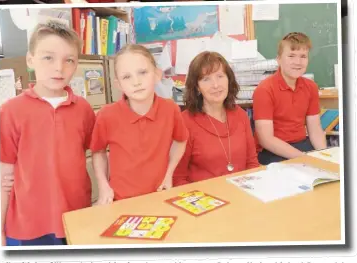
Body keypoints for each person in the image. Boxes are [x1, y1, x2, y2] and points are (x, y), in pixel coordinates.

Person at [0, 21, 96, 246]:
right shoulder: (10, 110)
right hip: (26, 224)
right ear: (30, 60)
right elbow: (4, 173)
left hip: (76, 216)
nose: (59, 68)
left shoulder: (83, 108)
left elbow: (94, 153)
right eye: (48, 57)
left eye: (69, 60)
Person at [90, 44, 188, 204]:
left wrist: (169, 173)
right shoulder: (107, 115)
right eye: (126, 77)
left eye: (142, 72)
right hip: (121, 200)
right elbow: (98, 152)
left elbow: (181, 140)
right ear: (118, 84)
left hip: (160, 195)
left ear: (157, 75)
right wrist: (103, 185)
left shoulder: (170, 109)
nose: (136, 82)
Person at [173, 51, 259, 186]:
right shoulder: (185, 122)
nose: (215, 85)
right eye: (206, 79)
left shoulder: (241, 115)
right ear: (197, 87)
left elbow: (252, 164)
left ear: (228, 79)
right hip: (204, 200)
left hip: (242, 195)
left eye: (220, 76)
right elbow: (178, 178)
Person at [252, 32, 326, 165]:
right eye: (291, 56)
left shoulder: (311, 87)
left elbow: (315, 129)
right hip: (272, 151)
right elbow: (266, 139)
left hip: (301, 145)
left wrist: (323, 156)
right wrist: (304, 158)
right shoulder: (264, 90)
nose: (298, 62)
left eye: (303, 56)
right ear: (278, 59)